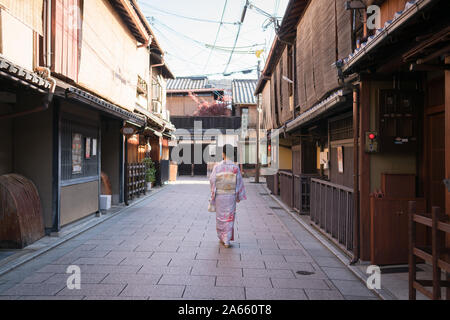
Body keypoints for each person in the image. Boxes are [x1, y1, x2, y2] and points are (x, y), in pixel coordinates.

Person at [209, 144, 247, 248]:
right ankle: (227, 239)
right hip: (230, 195)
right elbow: (239, 182)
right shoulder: (235, 167)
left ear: (223, 154)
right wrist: (238, 195)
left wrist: (214, 192)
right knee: (229, 216)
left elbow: (212, 180)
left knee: (220, 217)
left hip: (220, 195)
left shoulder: (217, 166)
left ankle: (222, 237)